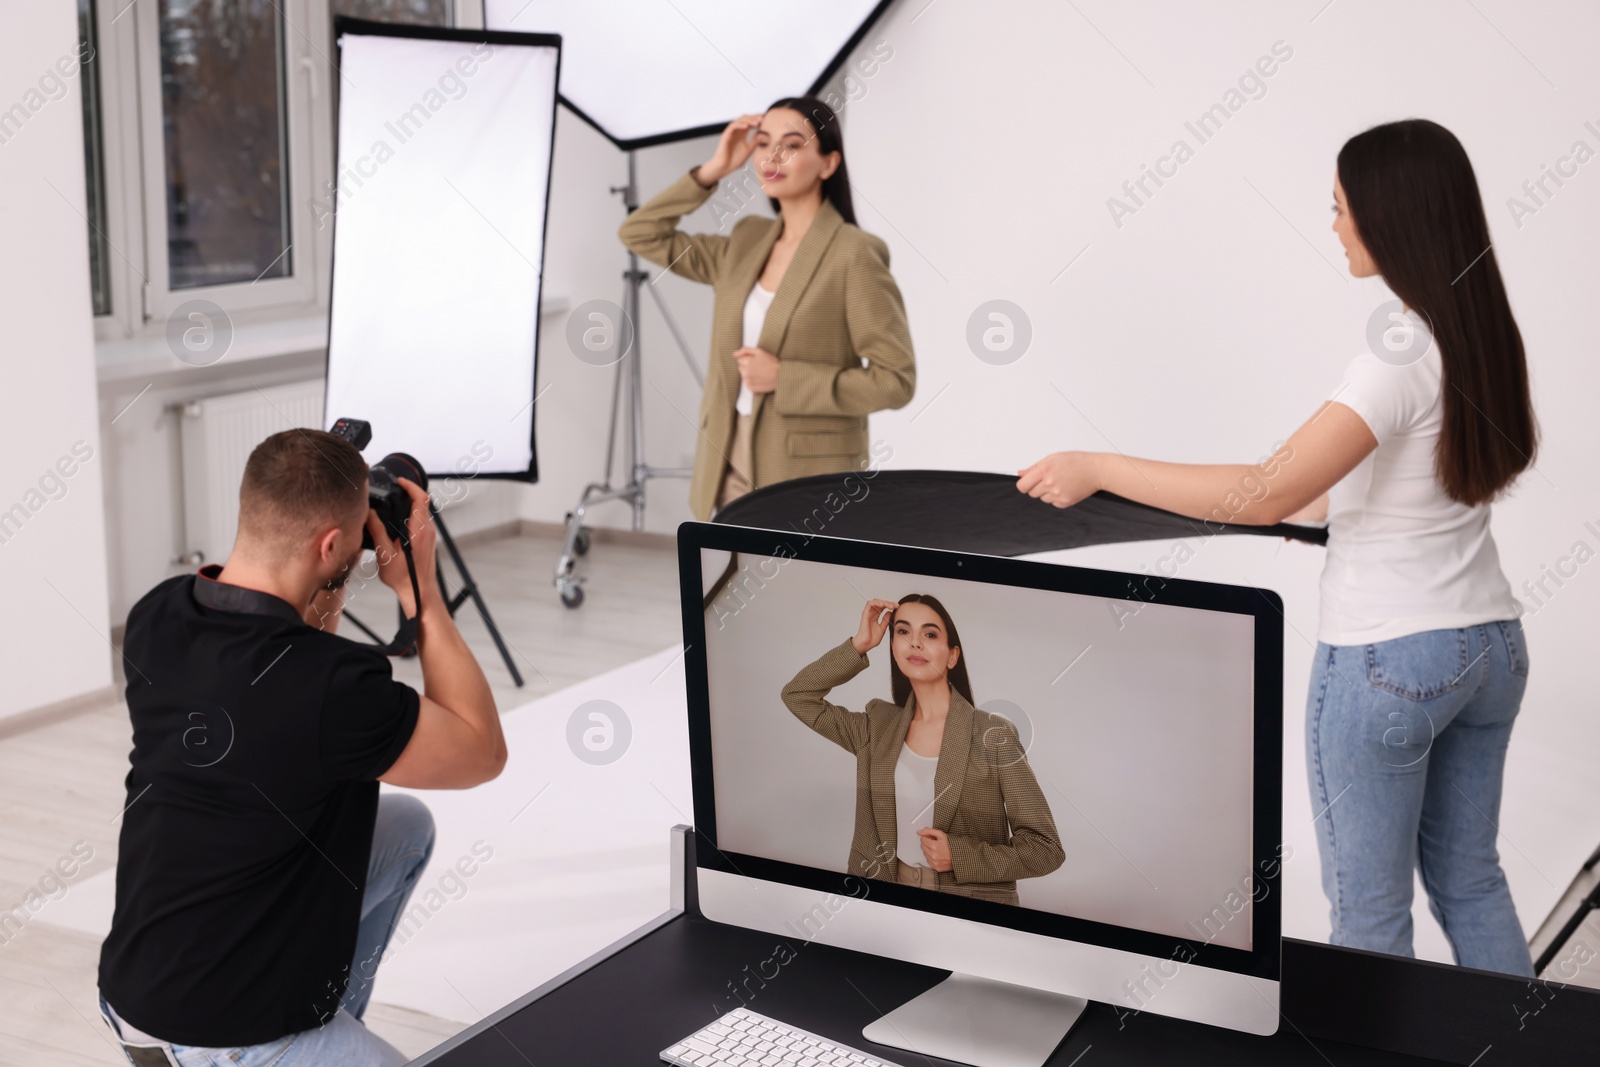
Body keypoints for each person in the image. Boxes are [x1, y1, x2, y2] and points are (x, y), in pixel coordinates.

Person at [1017, 119, 1538, 975]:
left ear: (1389, 216)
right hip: (1491, 647)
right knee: (1472, 880)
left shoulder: (1396, 352)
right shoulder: (1479, 332)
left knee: (1368, 913)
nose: (1332, 226)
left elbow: (1268, 492)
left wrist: (1097, 463)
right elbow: (1386, 480)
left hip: (1390, 658)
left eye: (1341, 209)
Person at [97, 429, 508, 1065]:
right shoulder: (334, 689)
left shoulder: (157, 615)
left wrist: (326, 568)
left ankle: (324, 1022)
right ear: (330, 545)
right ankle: (292, 1048)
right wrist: (419, 590)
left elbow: (287, 662)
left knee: (403, 828)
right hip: (222, 1035)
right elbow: (482, 752)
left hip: (135, 990)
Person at [618, 95, 916, 519]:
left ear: (828, 164)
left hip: (807, 469)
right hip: (725, 454)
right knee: (723, 583)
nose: (771, 156)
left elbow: (895, 381)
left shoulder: (855, 254)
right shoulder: (746, 239)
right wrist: (712, 171)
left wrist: (784, 378)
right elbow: (640, 234)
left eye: (791, 145)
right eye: (763, 143)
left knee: (797, 585)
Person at [780, 595, 1064, 904]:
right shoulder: (876, 726)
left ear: (952, 655)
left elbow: (1045, 849)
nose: (914, 642)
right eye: (903, 632)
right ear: (893, 647)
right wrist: (859, 645)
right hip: (881, 897)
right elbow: (798, 696)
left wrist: (960, 856)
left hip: (968, 904)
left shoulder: (993, 735)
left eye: (929, 634)